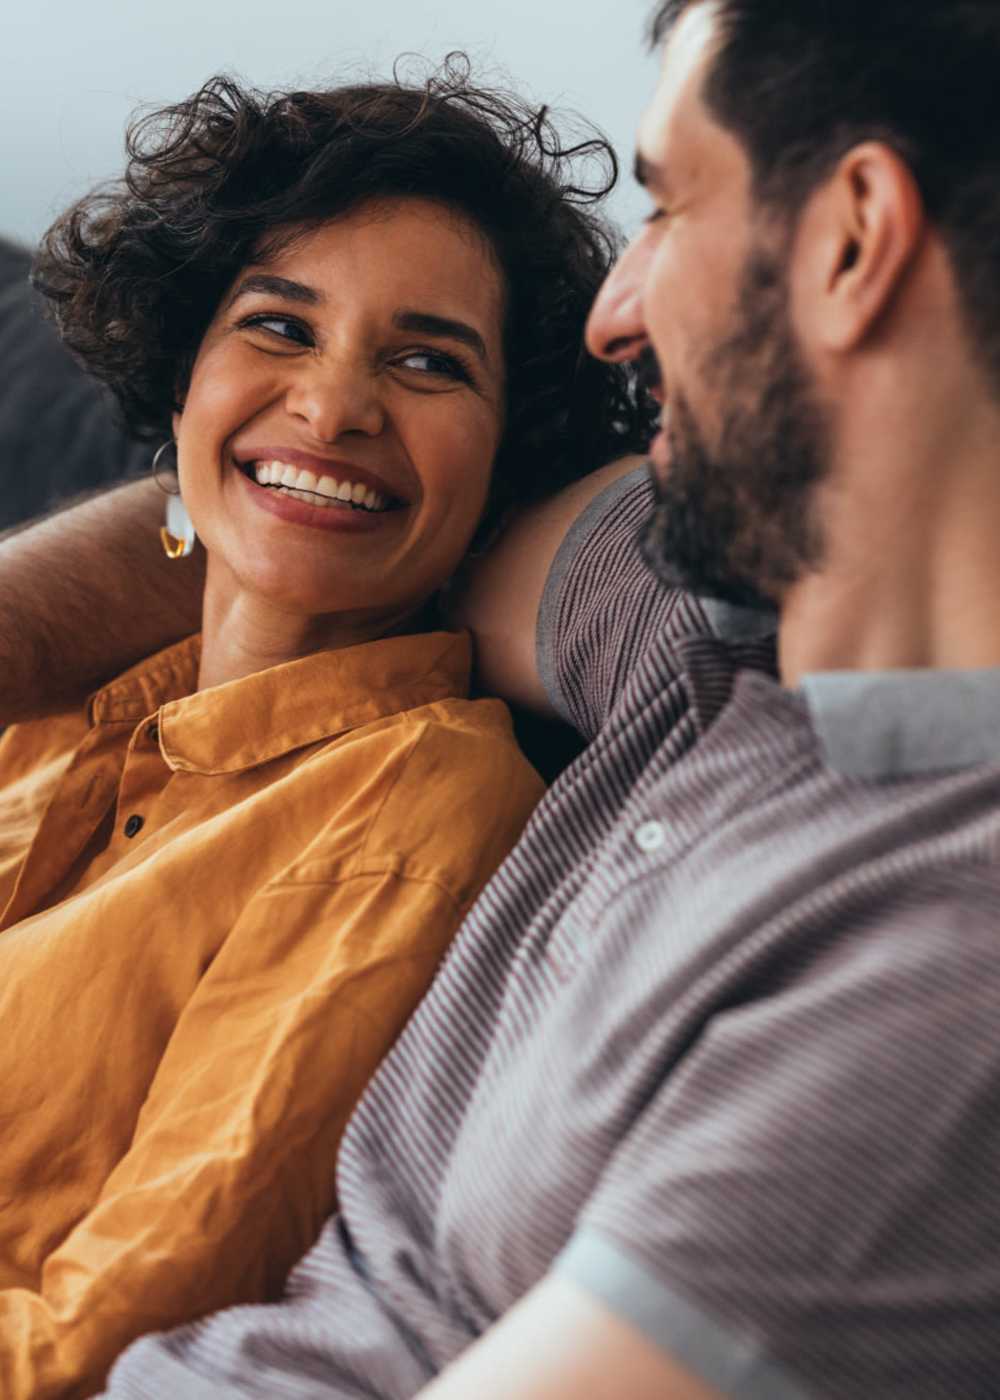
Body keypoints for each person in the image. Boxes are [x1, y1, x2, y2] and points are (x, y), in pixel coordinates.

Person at [4, 0, 1000, 1395]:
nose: (616, 314)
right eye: (277, 330)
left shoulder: (937, 965)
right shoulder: (682, 625)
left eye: (667, 207)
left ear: (852, 238)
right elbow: (311, 520)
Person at [0, 64, 652, 1399]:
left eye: (426, 361)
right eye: (280, 329)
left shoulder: (416, 819)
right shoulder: (64, 705)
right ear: (182, 381)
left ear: (505, 453)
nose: (337, 405)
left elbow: (97, 1349)